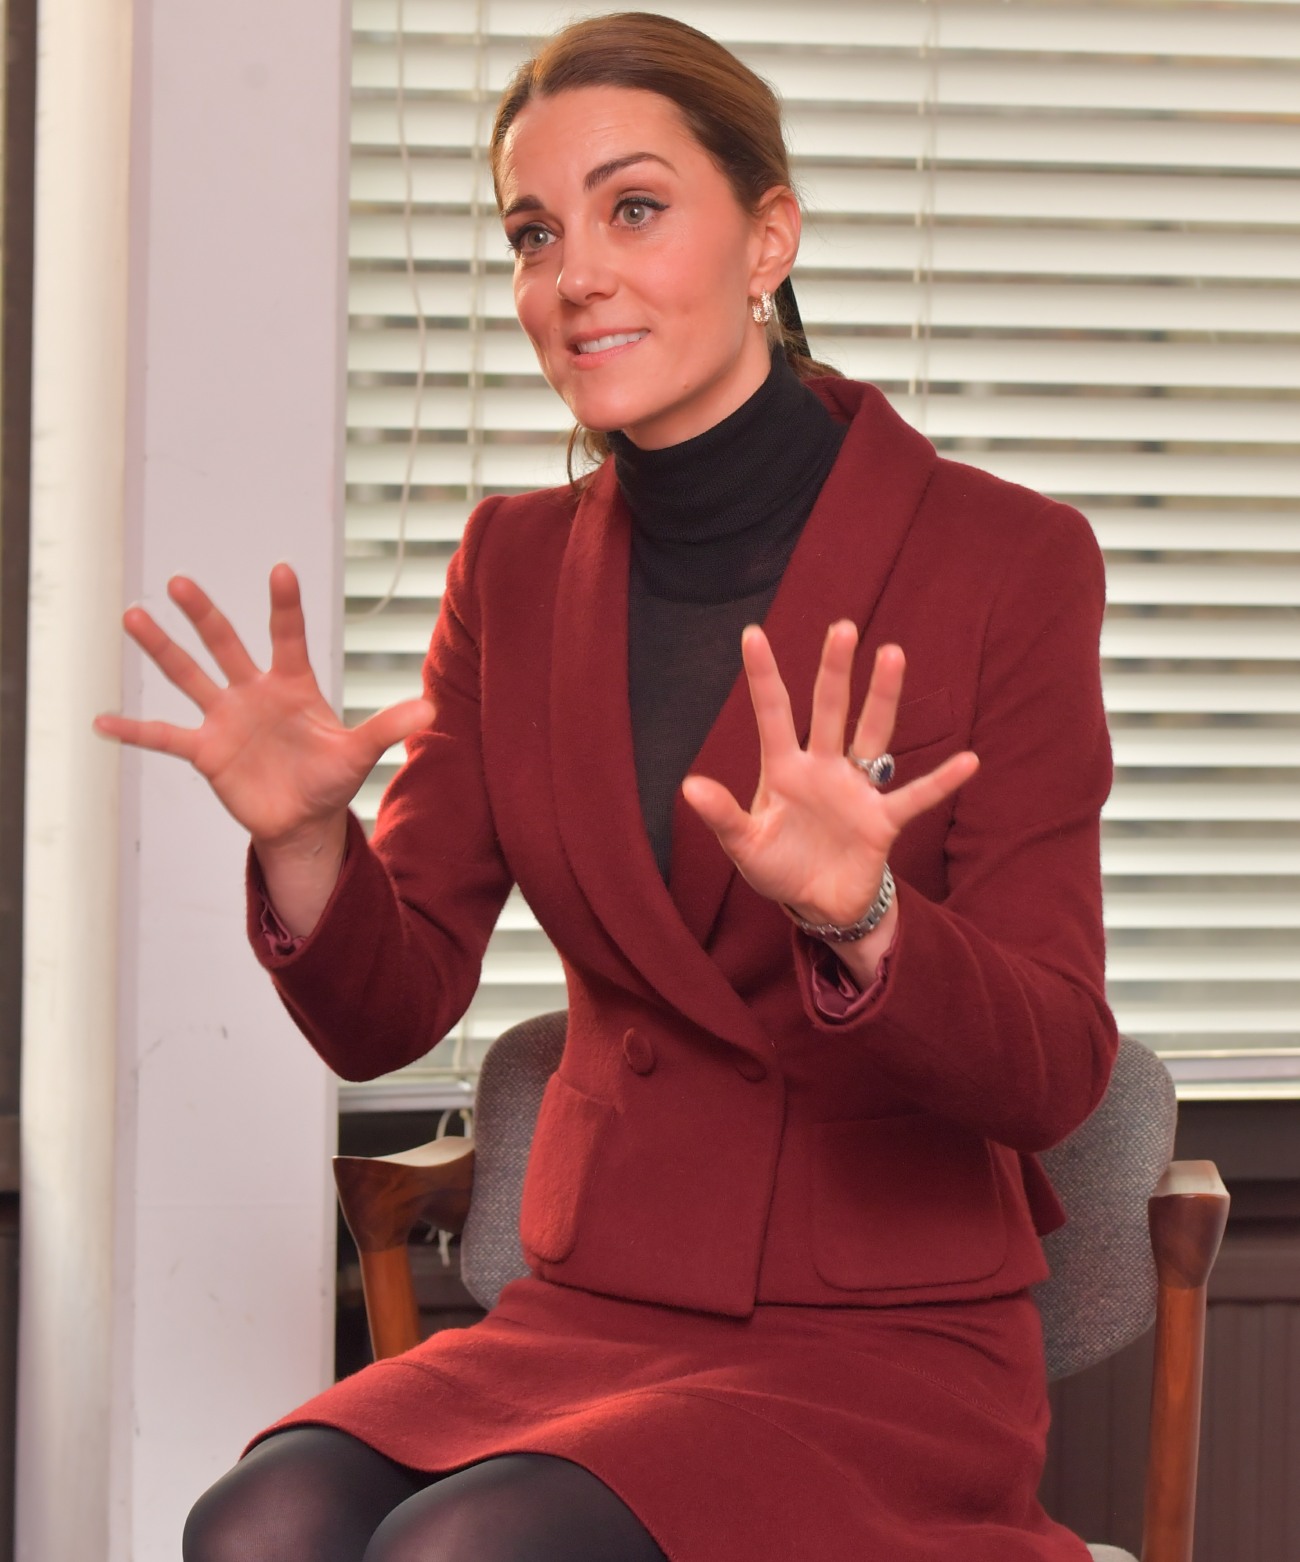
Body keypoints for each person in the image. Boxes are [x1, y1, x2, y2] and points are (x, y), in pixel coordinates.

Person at [96, 12, 1117, 1561]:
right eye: (532, 230)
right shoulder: (511, 568)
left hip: (876, 1341)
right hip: (597, 1304)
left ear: (768, 234)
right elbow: (391, 1003)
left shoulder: (1008, 560)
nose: (572, 272)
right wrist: (311, 844)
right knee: (260, 1520)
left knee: (468, 1553)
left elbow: (1056, 1069)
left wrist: (872, 920)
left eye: (633, 207)